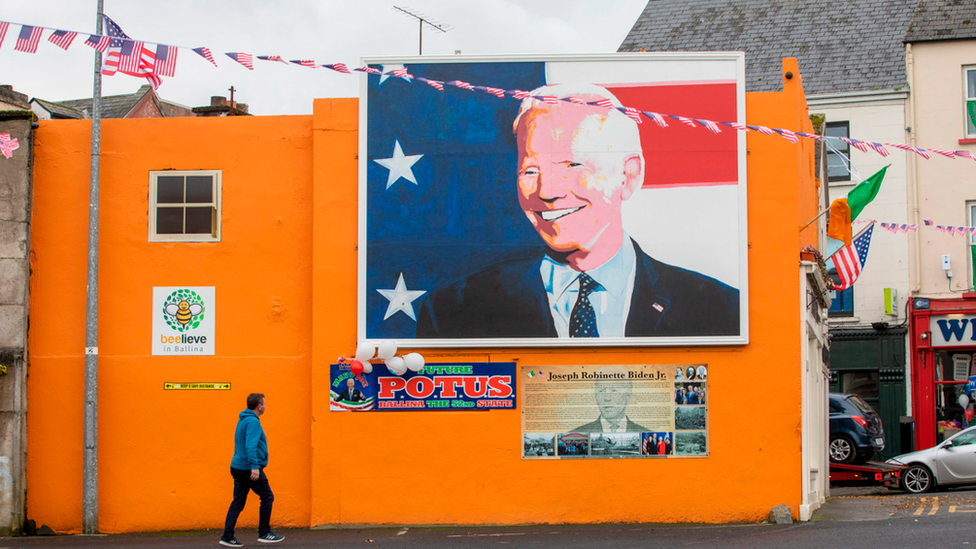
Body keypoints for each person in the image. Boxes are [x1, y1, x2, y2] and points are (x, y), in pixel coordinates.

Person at [416, 83, 739, 339]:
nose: (548, 191)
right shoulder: (453, 311)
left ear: (628, 176)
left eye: (573, 165)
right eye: (530, 170)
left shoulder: (720, 308)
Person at [220, 393, 285, 546]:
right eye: (264, 404)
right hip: (248, 468)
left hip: (238, 466)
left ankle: (227, 536)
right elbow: (250, 446)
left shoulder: (242, 419)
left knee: (238, 502)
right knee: (267, 497)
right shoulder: (253, 422)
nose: (265, 406)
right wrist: (254, 467)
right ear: (259, 406)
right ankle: (264, 533)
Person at [572, 366, 649, 432]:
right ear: (595, 396)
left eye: (614, 390)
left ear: (628, 397)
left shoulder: (645, 432)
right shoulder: (579, 432)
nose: (607, 398)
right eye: (601, 391)